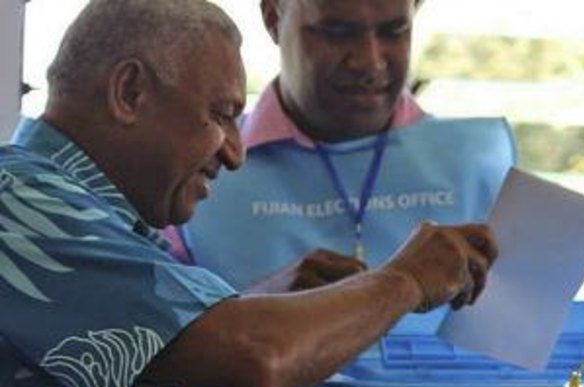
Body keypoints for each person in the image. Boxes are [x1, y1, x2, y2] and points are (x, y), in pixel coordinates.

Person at [0, 0, 498, 387]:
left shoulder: (103, 221)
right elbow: (249, 361)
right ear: (129, 93)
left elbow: (182, 374)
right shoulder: (14, 199)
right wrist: (405, 280)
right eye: (221, 116)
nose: (236, 154)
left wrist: (256, 306)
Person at [174, 0, 515, 291]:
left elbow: (532, 348)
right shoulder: (184, 170)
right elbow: (143, 347)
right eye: (338, 33)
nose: (370, 62)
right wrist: (259, 313)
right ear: (273, 18)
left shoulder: (483, 165)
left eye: (393, 32)